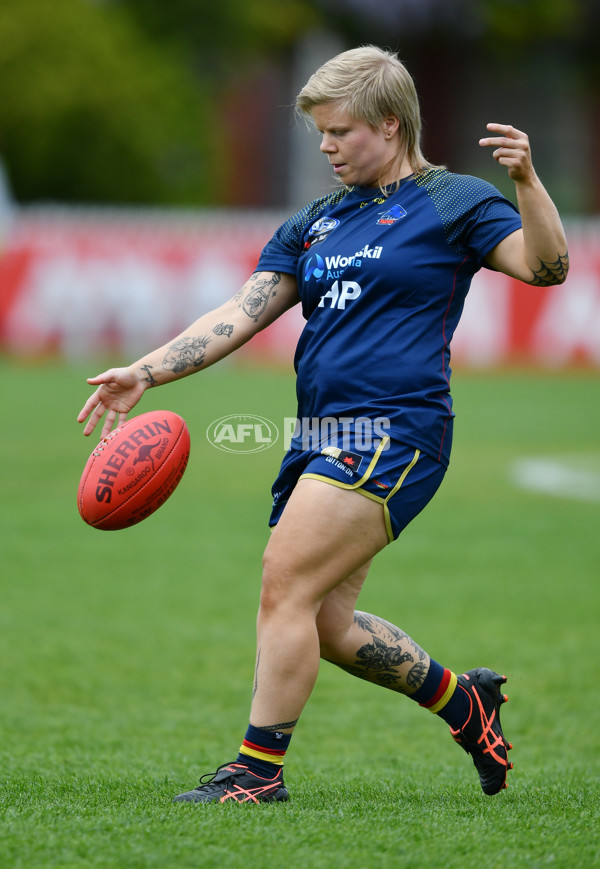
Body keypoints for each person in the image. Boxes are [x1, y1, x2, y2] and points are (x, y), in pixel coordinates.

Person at [77, 45, 569, 804]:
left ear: (391, 124)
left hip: (398, 431)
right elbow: (241, 314)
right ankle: (462, 701)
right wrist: (147, 369)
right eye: (318, 133)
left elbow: (546, 267)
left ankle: (255, 773)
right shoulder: (316, 222)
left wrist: (529, 184)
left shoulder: (455, 201)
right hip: (320, 438)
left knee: (284, 582)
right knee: (328, 621)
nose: (326, 147)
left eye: (340, 131)